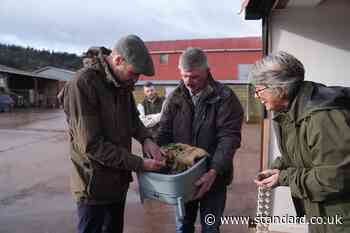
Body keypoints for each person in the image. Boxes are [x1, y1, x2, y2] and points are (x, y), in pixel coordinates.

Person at [62, 34, 165, 233]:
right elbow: (92, 145)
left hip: (117, 182)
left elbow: (133, 119)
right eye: (134, 74)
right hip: (93, 186)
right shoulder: (82, 85)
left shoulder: (122, 84)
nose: (136, 80)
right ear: (118, 60)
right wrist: (140, 164)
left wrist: (146, 139)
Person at [250, 51, 350, 233]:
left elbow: (334, 178)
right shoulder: (289, 111)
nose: (257, 96)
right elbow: (302, 151)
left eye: (259, 90)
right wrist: (279, 168)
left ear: (279, 87)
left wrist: (284, 177)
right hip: (323, 215)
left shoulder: (322, 117)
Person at [156, 47, 244, 233]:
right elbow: (164, 133)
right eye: (185, 76)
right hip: (182, 176)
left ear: (206, 70)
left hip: (215, 178)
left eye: (195, 77)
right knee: (183, 225)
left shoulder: (225, 97)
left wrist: (213, 171)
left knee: (210, 227)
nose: (189, 82)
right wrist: (160, 157)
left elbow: (229, 138)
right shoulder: (174, 98)